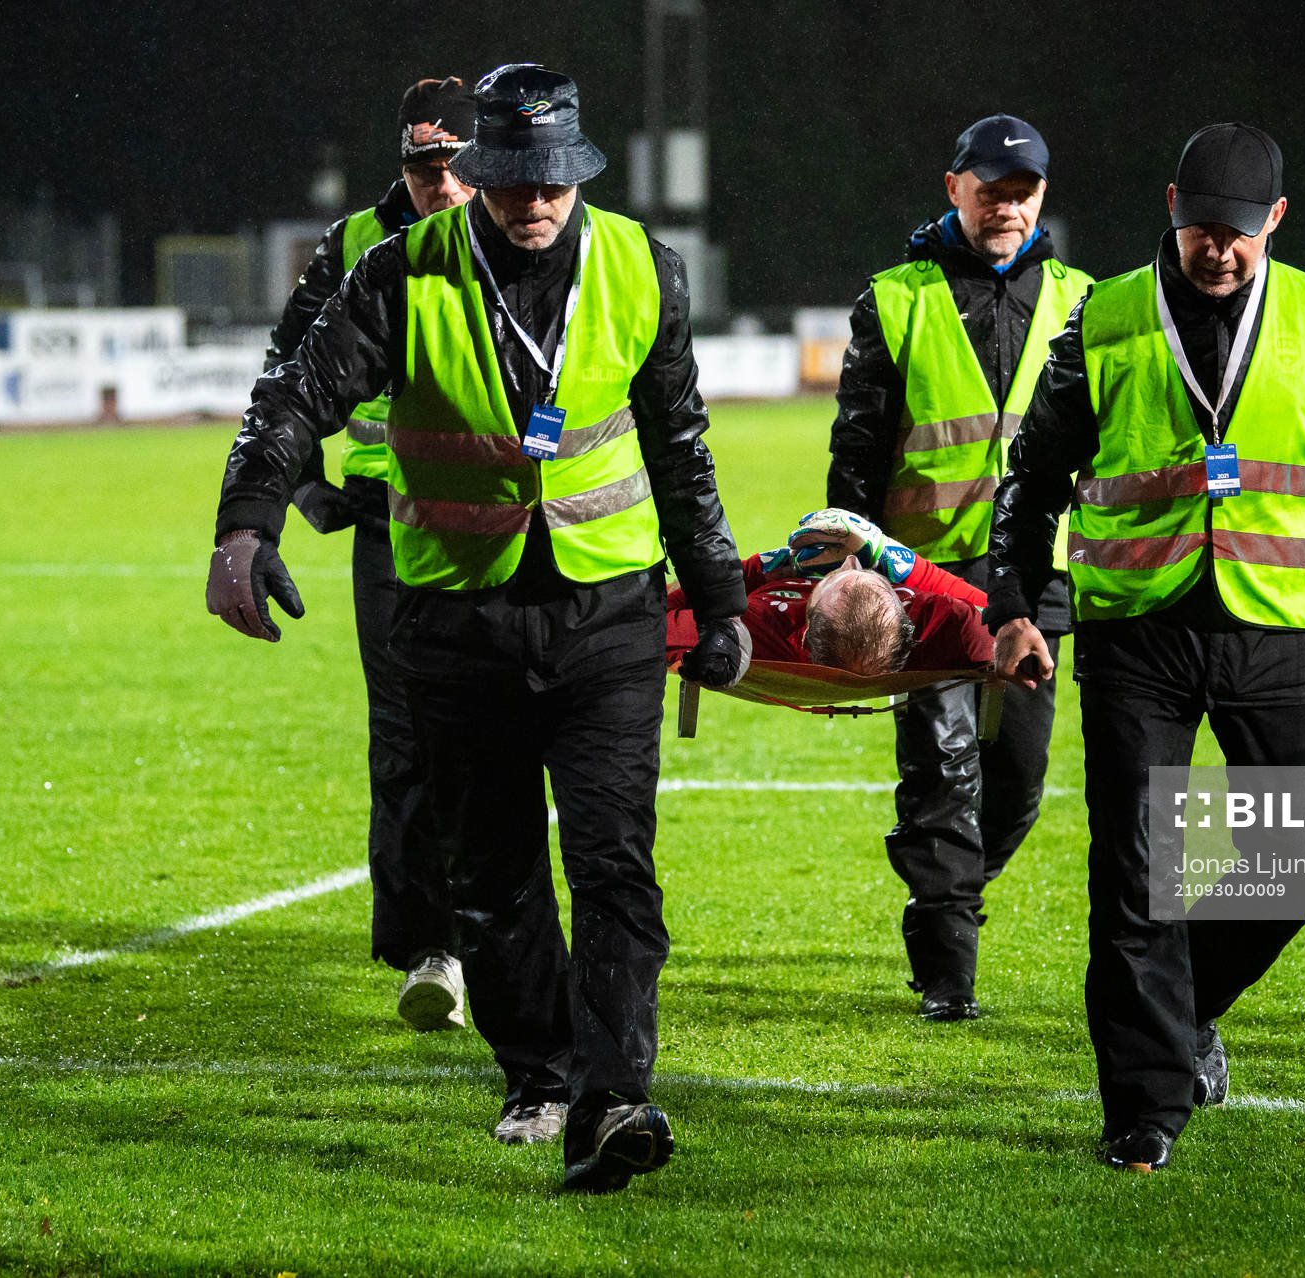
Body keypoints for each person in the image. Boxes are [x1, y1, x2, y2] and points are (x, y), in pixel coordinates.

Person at [206, 64, 748, 1194]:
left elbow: (681, 443)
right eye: (510, 178)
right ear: (476, 172)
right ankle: (540, 1073)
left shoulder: (645, 268)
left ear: (579, 170)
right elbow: (295, 399)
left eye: (551, 178)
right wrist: (247, 526)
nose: (532, 201)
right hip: (458, 619)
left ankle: (612, 1097)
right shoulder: (401, 274)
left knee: (614, 866)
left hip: (607, 614)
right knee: (494, 880)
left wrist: (722, 597)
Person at [988, 123, 1305, 1172]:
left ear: (1274, 220)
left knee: (1297, 861)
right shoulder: (1111, 316)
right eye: (1197, 230)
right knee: (1136, 877)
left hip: (1275, 627)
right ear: (1172, 206)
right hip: (1137, 631)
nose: (1215, 251)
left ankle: (1177, 1022)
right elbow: (1034, 473)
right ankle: (1142, 1109)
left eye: (1235, 233)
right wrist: (1010, 604)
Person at [826, 114, 1093, 1021]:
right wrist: (849, 564)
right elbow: (856, 449)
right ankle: (948, 971)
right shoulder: (895, 297)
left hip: (1041, 578)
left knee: (1017, 777)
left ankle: (952, 902)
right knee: (942, 772)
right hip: (922, 575)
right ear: (955, 189)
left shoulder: (1083, 301)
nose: (1007, 209)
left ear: (1042, 196)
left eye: (1023, 194)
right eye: (991, 191)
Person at [263, 75, 478, 1034]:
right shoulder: (355, 243)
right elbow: (285, 372)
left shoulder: (520, 231)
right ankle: (429, 947)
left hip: (507, 530)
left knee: (498, 733)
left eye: (451, 162)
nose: (436, 180)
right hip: (392, 531)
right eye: (420, 163)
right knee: (403, 738)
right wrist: (306, 487)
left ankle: (495, 931)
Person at [664, 510, 993, 678]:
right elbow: (1007, 626)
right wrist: (898, 562)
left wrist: (755, 570)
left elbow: (651, 617)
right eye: (867, 574)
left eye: (838, 575)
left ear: (804, 630)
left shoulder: (762, 625)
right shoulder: (928, 619)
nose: (851, 561)